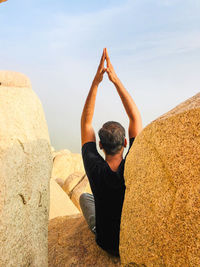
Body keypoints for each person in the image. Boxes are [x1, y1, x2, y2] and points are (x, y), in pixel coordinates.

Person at [80, 48, 142, 256]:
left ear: (100, 145)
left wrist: (96, 82)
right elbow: (135, 118)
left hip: (106, 242)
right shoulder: (132, 165)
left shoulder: (95, 168)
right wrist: (115, 80)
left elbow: (86, 123)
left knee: (84, 198)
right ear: (125, 142)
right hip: (129, 239)